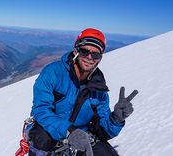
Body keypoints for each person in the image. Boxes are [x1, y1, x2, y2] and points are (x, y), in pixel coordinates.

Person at [28, 28, 138, 156]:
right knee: (42, 138)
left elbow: (102, 131)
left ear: (100, 58)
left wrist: (116, 119)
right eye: (84, 51)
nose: (89, 57)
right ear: (76, 51)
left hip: (81, 136)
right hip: (49, 130)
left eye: (95, 54)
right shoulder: (53, 73)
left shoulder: (99, 88)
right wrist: (69, 131)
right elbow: (41, 110)